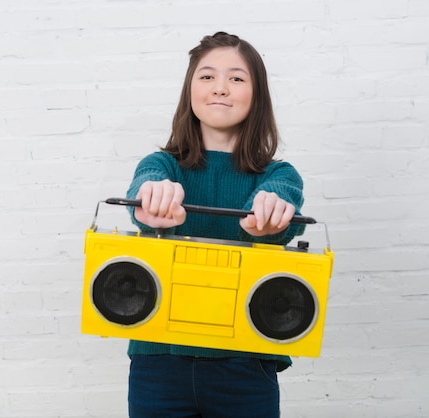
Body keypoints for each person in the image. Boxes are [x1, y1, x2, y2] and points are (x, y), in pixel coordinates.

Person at [124, 32, 306, 418]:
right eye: (207, 77)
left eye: (237, 78)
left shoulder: (278, 174)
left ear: (257, 95)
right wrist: (152, 197)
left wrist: (271, 212)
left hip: (245, 364)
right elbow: (145, 185)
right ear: (189, 91)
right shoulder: (162, 166)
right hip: (158, 362)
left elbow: (282, 195)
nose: (220, 88)